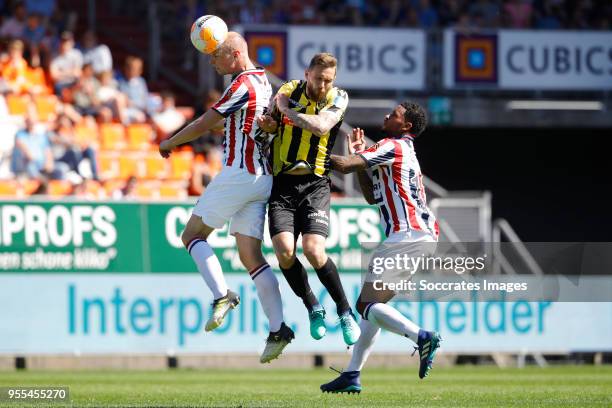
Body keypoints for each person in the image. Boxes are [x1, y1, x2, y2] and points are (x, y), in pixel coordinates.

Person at [158, 32, 293, 363]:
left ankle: (221, 296)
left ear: (234, 55)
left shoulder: (241, 84)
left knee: (191, 235)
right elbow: (240, 123)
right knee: (250, 255)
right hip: (262, 178)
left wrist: (171, 142)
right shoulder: (263, 82)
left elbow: (208, 121)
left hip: (239, 173)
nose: (211, 60)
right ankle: (278, 329)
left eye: (216, 55)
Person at [320, 102, 442, 393]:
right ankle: (352, 375)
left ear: (406, 126)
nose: (388, 116)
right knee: (374, 307)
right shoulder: (400, 150)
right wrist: (359, 155)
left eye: (395, 114)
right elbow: (370, 197)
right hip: (416, 236)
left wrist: (308, 148)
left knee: (365, 306)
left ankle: (421, 336)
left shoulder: (393, 146)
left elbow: (345, 167)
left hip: (407, 236)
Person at [256, 52, 360, 346]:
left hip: (315, 184)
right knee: (285, 251)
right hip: (283, 184)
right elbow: (271, 126)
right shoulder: (289, 89)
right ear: (307, 74)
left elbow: (322, 126)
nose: (324, 85)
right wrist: (271, 126)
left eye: (328, 80)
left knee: (314, 250)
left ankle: (344, 310)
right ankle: (313, 306)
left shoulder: (339, 98)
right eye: (319, 79)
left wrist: (287, 113)